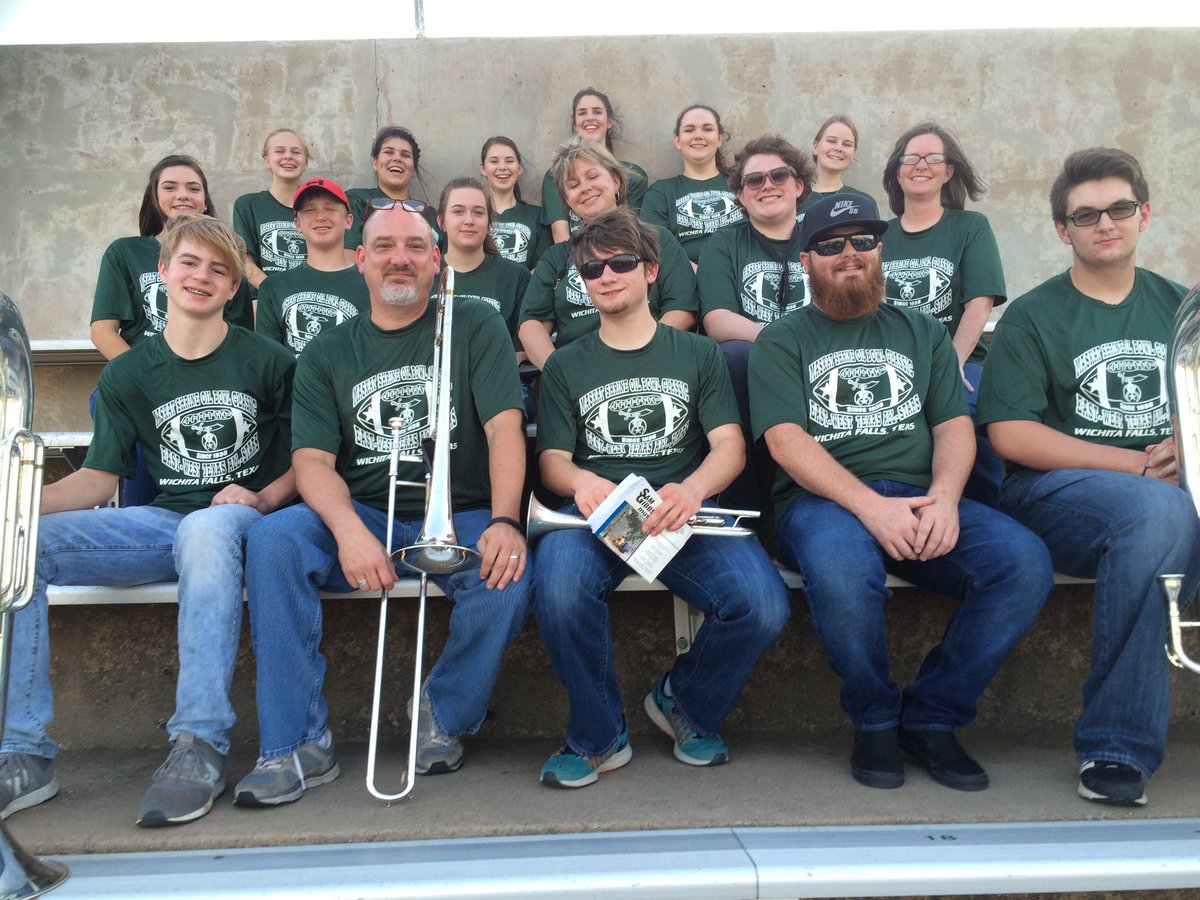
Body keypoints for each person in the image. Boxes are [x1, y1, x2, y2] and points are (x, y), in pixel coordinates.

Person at [233, 198, 531, 807]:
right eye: (387, 248)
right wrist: (347, 531)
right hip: (366, 509)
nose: (402, 260)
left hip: (464, 507)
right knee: (273, 541)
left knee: (511, 576)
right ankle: (295, 743)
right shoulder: (325, 352)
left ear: (436, 259)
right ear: (360, 260)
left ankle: (442, 714)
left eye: (416, 247)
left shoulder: (473, 322)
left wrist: (505, 520)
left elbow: (504, 426)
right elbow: (312, 462)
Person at [749, 194, 1053, 793]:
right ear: (807, 260)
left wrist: (944, 498)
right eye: (832, 245)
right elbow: (786, 441)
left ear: (880, 250)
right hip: (822, 504)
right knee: (842, 573)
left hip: (920, 495)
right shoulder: (782, 340)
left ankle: (934, 717)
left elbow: (953, 427)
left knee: (1023, 564)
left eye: (863, 240)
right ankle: (876, 719)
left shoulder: (922, 332)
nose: (850, 254)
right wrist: (870, 506)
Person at [0, 215, 296, 827]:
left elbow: (309, 461)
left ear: (234, 288)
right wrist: (16, 503)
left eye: (219, 269)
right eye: (190, 263)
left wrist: (261, 496)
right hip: (165, 523)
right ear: (162, 271)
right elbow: (98, 480)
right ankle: (24, 752)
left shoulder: (270, 360)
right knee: (18, 545)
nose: (202, 277)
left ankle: (199, 741)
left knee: (206, 528)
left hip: (246, 522)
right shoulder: (129, 373)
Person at [532, 208, 789, 788]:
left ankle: (685, 702)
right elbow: (551, 460)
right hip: (596, 517)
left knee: (763, 604)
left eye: (621, 263)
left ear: (650, 271)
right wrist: (579, 482)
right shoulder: (565, 365)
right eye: (593, 269)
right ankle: (598, 737)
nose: (607, 275)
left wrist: (694, 486)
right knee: (559, 589)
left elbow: (728, 447)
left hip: (684, 509)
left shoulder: (697, 354)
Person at [979, 147, 1200, 807]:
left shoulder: (1184, 311)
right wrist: (1135, 463)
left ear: (1145, 214)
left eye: (1120, 209)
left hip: (1172, 495)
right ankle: (1115, 747)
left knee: (1165, 522)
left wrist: (1184, 448)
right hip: (1056, 496)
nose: (1105, 223)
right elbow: (1011, 435)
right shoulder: (1034, 316)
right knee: (1157, 516)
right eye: (1086, 214)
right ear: (1062, 229)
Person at [89, 154, 254, 506]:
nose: (183, 195)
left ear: (205, 199)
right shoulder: (126, 252)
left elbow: (238, 334)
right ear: (154, 195)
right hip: (139, 377)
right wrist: (147, 378)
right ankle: (143, 516)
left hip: (210, 381)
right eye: (170, 187)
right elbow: (103, 331)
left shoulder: (225, 261)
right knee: (132, 405)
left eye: (193, 188)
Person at [880, 122, 1005, 504]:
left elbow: (979, 303)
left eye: (933, 157)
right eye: (911, 158)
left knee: (974, 408)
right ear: (897, 173)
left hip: (959, 361)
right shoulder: (877, 236)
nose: (921, 165)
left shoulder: (970, 227)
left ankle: (992, 508)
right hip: (892, 363)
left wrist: (948, 365)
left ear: (948, 171)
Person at [697, 135, 813, 513]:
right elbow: (717, 320)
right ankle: (743, 505)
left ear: (798, 185)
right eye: (754, 180)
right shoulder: (724, 243)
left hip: (819, 357)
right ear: (741, 196)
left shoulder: (823, 240)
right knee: (732, 357)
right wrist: (778, 341)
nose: (767, 186)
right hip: (756, 361)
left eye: (779, 176)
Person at [518, 138, 697, 371]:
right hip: (580, 370)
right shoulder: (556, 257)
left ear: (616, 182)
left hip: (652, 362)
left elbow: (682, 309)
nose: (585, 188)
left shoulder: (657, 239)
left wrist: (644, 355)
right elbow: (532, 323)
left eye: (592, 177)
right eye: (573, 185)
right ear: (568, 203)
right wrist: (559, 373)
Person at [256, 177, 370, 356]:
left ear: (348, 221)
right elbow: (268, 359)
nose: (320, 217)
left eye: (330, 209)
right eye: (309, 210)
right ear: (297, 224)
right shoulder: (274, 287)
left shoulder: (370, 283)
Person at [540, 87, 649, 243]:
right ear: (575, 124)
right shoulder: (555, 174)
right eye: (582, 113)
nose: (589, 117)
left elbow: (632, 228)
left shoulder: (633, 174)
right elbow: (561, 236)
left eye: (597, 112)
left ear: (609, 121)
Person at [437, 176, 531, 356]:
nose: (469, 220)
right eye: (458, 212)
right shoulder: (424, 273)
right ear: (442, 222)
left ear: (489, 223)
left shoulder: (515, 277)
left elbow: (521, 350)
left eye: (478, 213)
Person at [641, 104, 743, 266]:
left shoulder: (743, 184)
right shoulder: (661, 192)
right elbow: (653, 247)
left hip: (741, 269)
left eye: (707, 129)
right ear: (677, 141)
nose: (698, 135)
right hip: (686, 278)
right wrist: (692, 272)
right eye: (689, 130)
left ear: (719, 139)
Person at [232, 128, 311, 293]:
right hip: (264, 300)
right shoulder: (248, 205)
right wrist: (277, 294)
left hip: (309, 296)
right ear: (267, 160)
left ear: (306, 162)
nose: (288, 156)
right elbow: (246, 265)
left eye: (296, 152)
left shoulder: (318, 209)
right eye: (279, 151)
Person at [344, 126, 440, 251]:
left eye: (405, 155)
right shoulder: (356, 201)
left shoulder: (430, 214)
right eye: (388, 152)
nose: (397, 158)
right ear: (375, 163)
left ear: (414, 169)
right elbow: (348, 256)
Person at [480, 136, 550, 269]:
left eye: (509, 161)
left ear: (520, 168)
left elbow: (542, 269)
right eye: (494, 161)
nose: (502, 167)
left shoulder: (537, 216)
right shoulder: (472, 215)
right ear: (483, 169)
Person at [802, 115, 868, 216]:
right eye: (831, 141)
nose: (838, 148)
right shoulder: (794, 198)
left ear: (853, 154)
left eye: (847, 144)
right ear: (815, 147)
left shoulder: (864, 203)